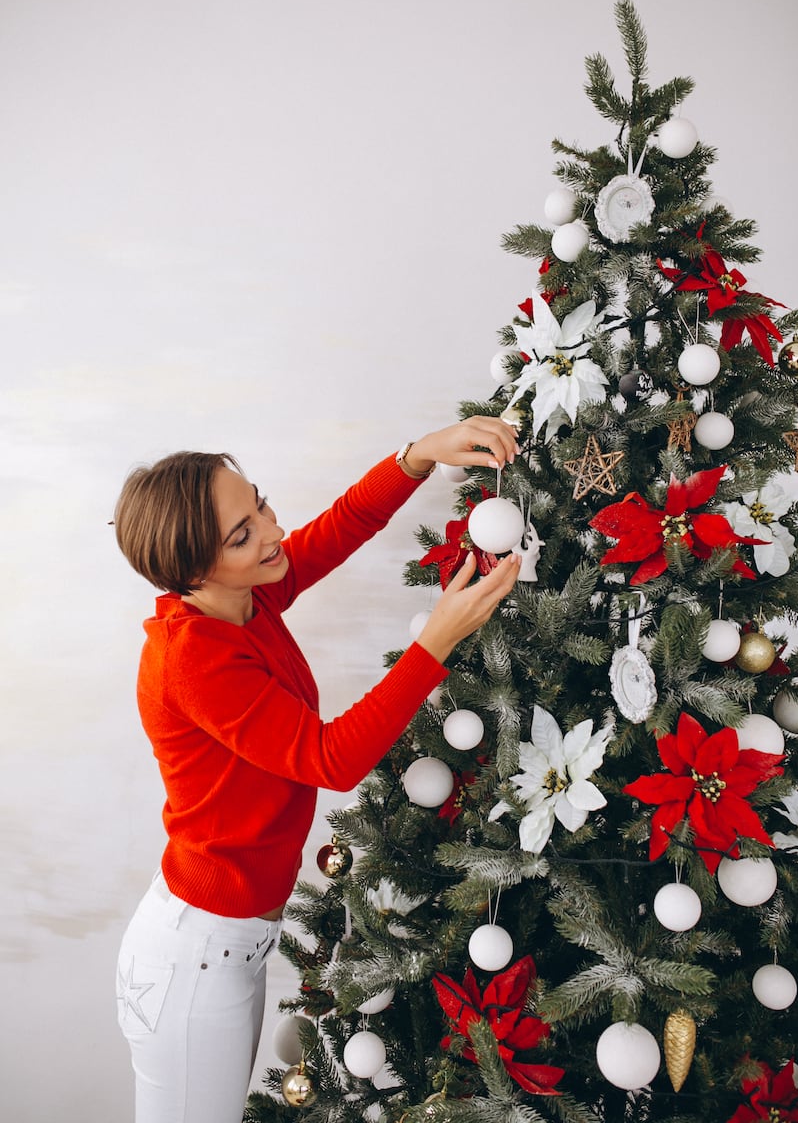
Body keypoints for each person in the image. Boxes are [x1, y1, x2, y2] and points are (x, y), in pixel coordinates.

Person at [113, 416, 521, 1123]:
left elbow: (340, 526)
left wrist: (417, 454)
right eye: (241, 536)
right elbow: (330, 759)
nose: (271, 533)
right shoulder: (194, 658)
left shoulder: (245, 597)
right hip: (194, 962)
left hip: (225, 950)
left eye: (260, 506)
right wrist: (437, 639)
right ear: (191, 571)